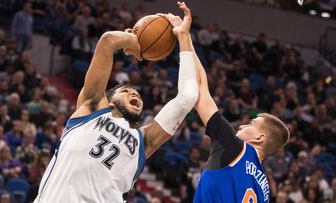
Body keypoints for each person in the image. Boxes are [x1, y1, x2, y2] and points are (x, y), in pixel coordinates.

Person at [34, 2, 198, 203]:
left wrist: (183, 36)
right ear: (109, 102)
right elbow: (108, 41)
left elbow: (188, 97)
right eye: (126, 91)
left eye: (137, 95)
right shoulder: (91, 108)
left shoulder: (144, 141)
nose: (134, 95)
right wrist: (133, 41)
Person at [159, 12, 290, 203]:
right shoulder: (265, 191)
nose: (243, 126)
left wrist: (184, 35)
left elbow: (200, 88)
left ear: (260, 138)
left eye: (251, 124)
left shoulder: (235, 149)